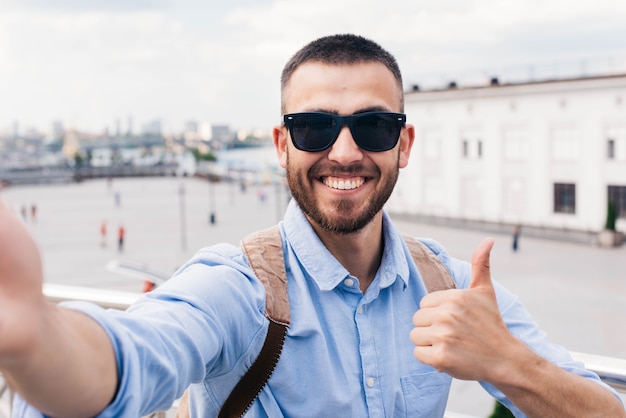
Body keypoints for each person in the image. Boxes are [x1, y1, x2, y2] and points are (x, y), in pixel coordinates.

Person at [0, 34, 624, 418]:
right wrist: (35, 337)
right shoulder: (239, 288)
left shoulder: (455, 289)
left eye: (373, 126)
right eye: (315, 127)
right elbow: (135, 356)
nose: (346, 151)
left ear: (404, 144)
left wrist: (509, 361)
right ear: (282, 143)